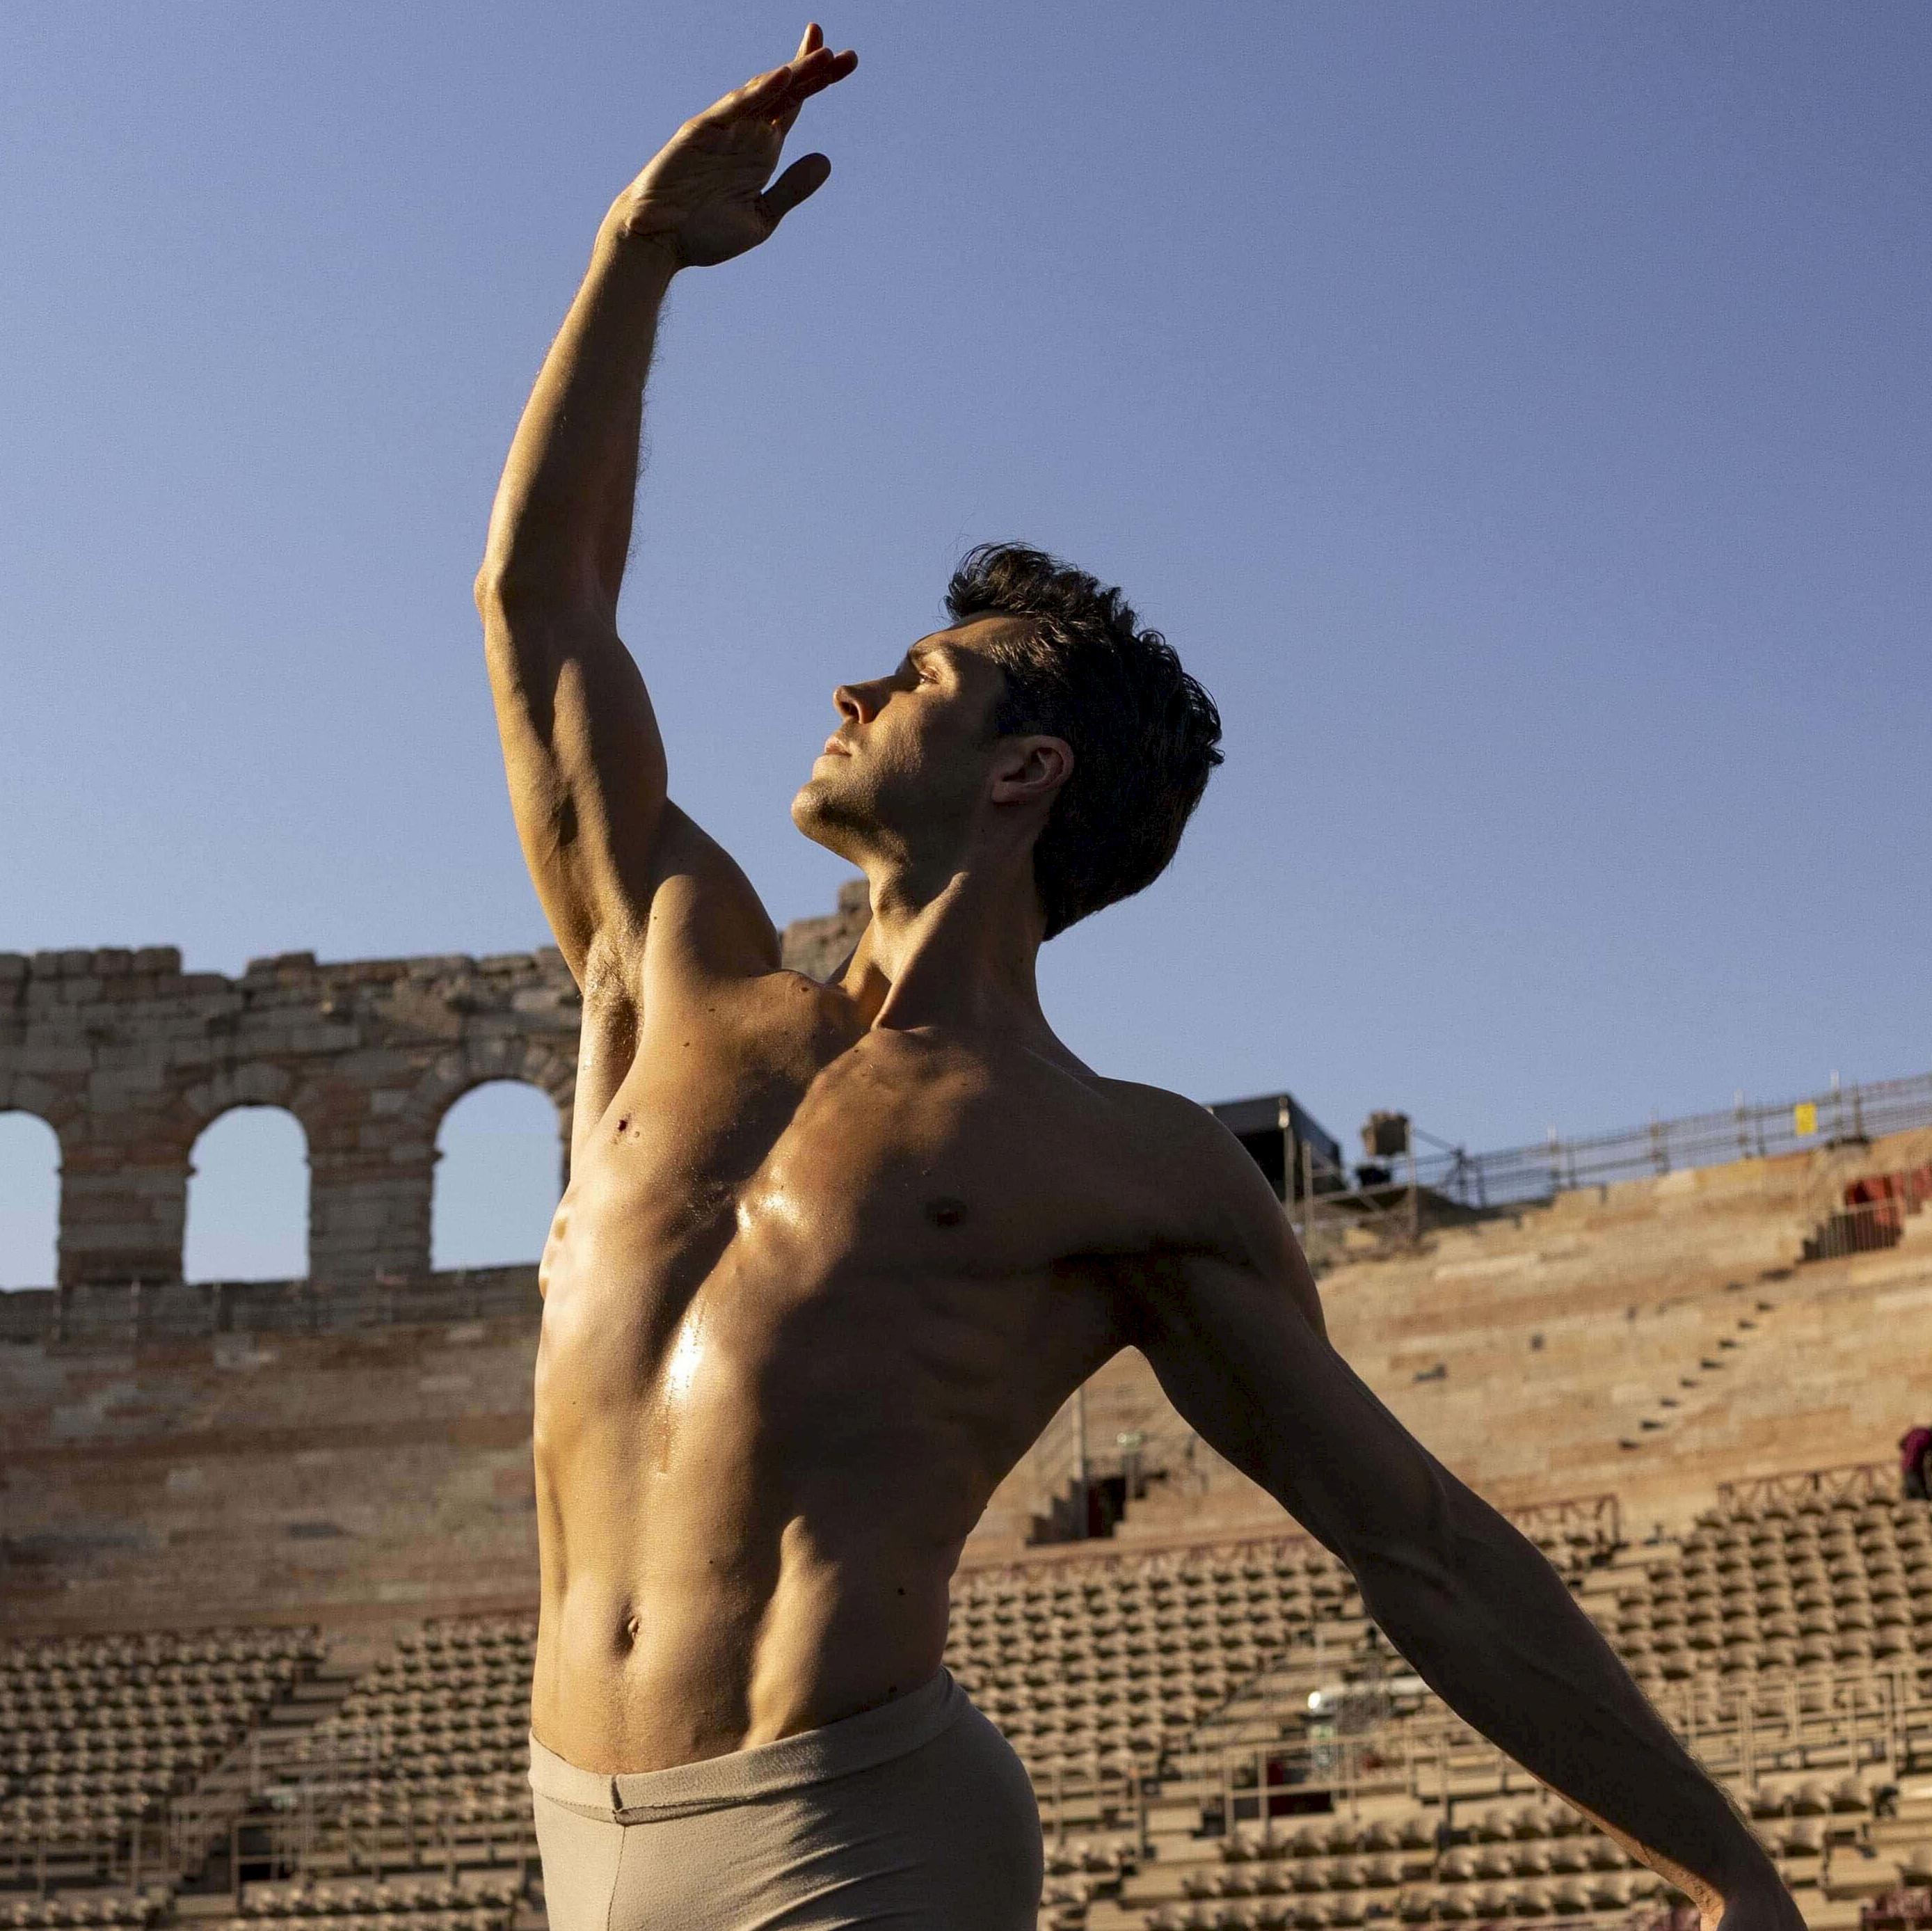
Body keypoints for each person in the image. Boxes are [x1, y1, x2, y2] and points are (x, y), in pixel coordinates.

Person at [476, 25, 1807, 1931]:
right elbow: (545, 614)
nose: (854, 685)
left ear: (1027, 774)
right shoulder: (669, 963)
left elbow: (1414, 1543)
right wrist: (634, 254)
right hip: (568, 1825)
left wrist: (1728, 1866)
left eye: (923, 674)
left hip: (851, 1834)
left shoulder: (1122, 1163)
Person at [1899, 1425, 1932, 1500]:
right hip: (1915, 1468)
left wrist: (1909, 1451)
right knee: (1922, 1497)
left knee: (1911, 1495)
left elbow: (1901, 1444)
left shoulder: (1915, 1432)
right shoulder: (1929, 1437)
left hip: (1905, 1466)